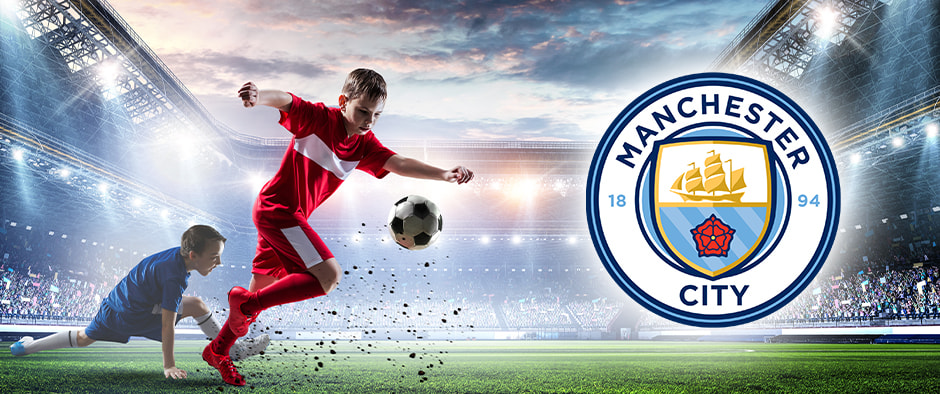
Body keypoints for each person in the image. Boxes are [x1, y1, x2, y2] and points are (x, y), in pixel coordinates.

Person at [202, 69, 474, 386]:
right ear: (343, 101)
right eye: (362, 111)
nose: (369, 120)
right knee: (328, 276)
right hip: (278, 211)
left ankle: (218, 350)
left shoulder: (364, 144)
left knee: (258, 296)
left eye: (376, 115)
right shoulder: (319, 119)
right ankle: (245, 304)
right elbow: (287, 101)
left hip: (288, 219)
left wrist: (443, 174)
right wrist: (259, 96)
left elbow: (397, 163)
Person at [9, 225, 270, 379]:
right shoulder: (175, 276)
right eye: (214, 257)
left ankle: (26, 348)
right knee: (197, 306)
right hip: (133, 314)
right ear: (193, 255)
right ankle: (232, 351)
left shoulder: (174, 259)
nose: (219, 263)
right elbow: (167, 325)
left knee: (85, 337)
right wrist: (168, 365)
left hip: (115, 307)